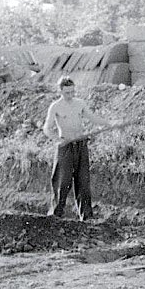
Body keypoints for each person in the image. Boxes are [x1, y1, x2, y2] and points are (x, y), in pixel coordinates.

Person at [43, 76, 120, 221]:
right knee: (62, 182)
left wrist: (109, 123)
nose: (70, 96)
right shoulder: (55, 106)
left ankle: (87, 218)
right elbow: (47, 128)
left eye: (72, 92)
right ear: (60, 91)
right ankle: (55, 216)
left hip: (81, 145)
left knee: (83, 183)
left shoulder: (80, 104)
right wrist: (58, 140)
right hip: (65, 147)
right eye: (67, 93)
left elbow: (93, 118)